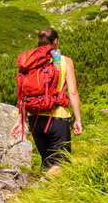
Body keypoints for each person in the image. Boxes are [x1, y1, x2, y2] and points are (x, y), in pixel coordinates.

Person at [27, 28, 83, 175]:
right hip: (56, 116)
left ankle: (39, 196)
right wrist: (78, 119)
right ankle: (39, 188)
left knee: (47, 159)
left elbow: (24, 90)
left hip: (34, 116)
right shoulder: (64, 61)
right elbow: (72, 92)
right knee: (62, 162)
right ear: (56, 41)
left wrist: (20, 122)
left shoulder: (30, 61)